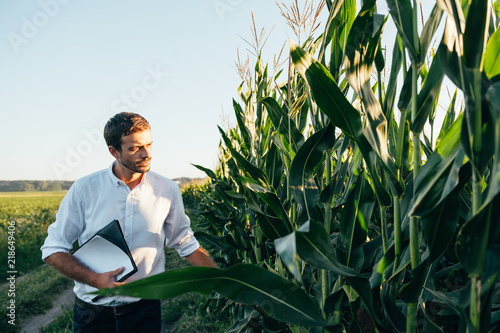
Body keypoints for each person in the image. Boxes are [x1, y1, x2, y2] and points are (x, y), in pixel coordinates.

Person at [41, 112, 217, 333]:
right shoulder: (84, 189)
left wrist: (225, 283)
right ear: (114, 151)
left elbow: (185, 243)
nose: (146, 154)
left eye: (149, 145)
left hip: (144, 311)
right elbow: (53, 249)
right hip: (92, 314)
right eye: (135, 148)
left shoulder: (167, 190)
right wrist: (95, 279)